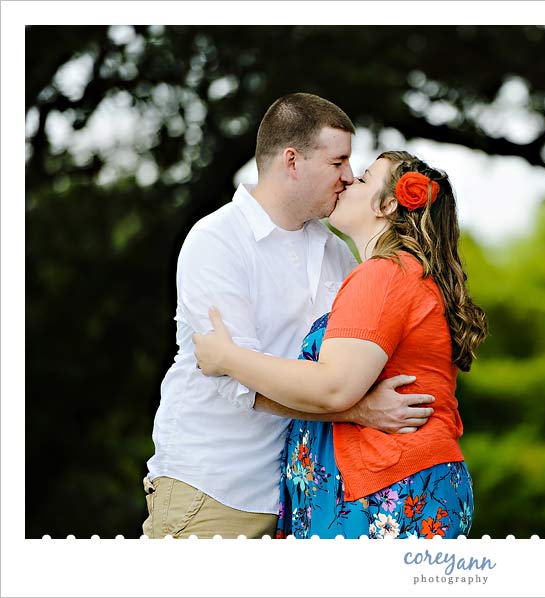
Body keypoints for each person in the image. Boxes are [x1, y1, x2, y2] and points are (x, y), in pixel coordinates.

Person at [143, 94, 435, 539]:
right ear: (292, 161)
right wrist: (358, 411)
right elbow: (236, 381)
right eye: (338, 162)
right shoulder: (217, 241)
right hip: (216, 488)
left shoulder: (338, 252)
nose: (348, 176)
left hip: (301, 498)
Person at [194, 150, 488, 539]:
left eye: (364, 179)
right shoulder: (403, 274)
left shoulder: (384, 275)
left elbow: (332, 386)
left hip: (385, 487)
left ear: (386, 205)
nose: (349, 181)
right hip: (391, 481)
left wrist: (229, 358)